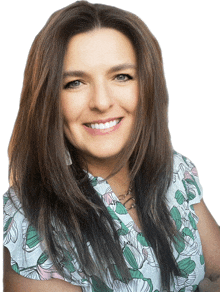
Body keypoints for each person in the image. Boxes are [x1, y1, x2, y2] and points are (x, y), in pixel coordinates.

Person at [3, 1, 220, 291]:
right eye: (75, 82)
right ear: (48, 100)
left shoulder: (174, 170)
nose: (102, 102)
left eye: (121, 77)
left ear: (146, 87)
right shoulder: (30, 217)